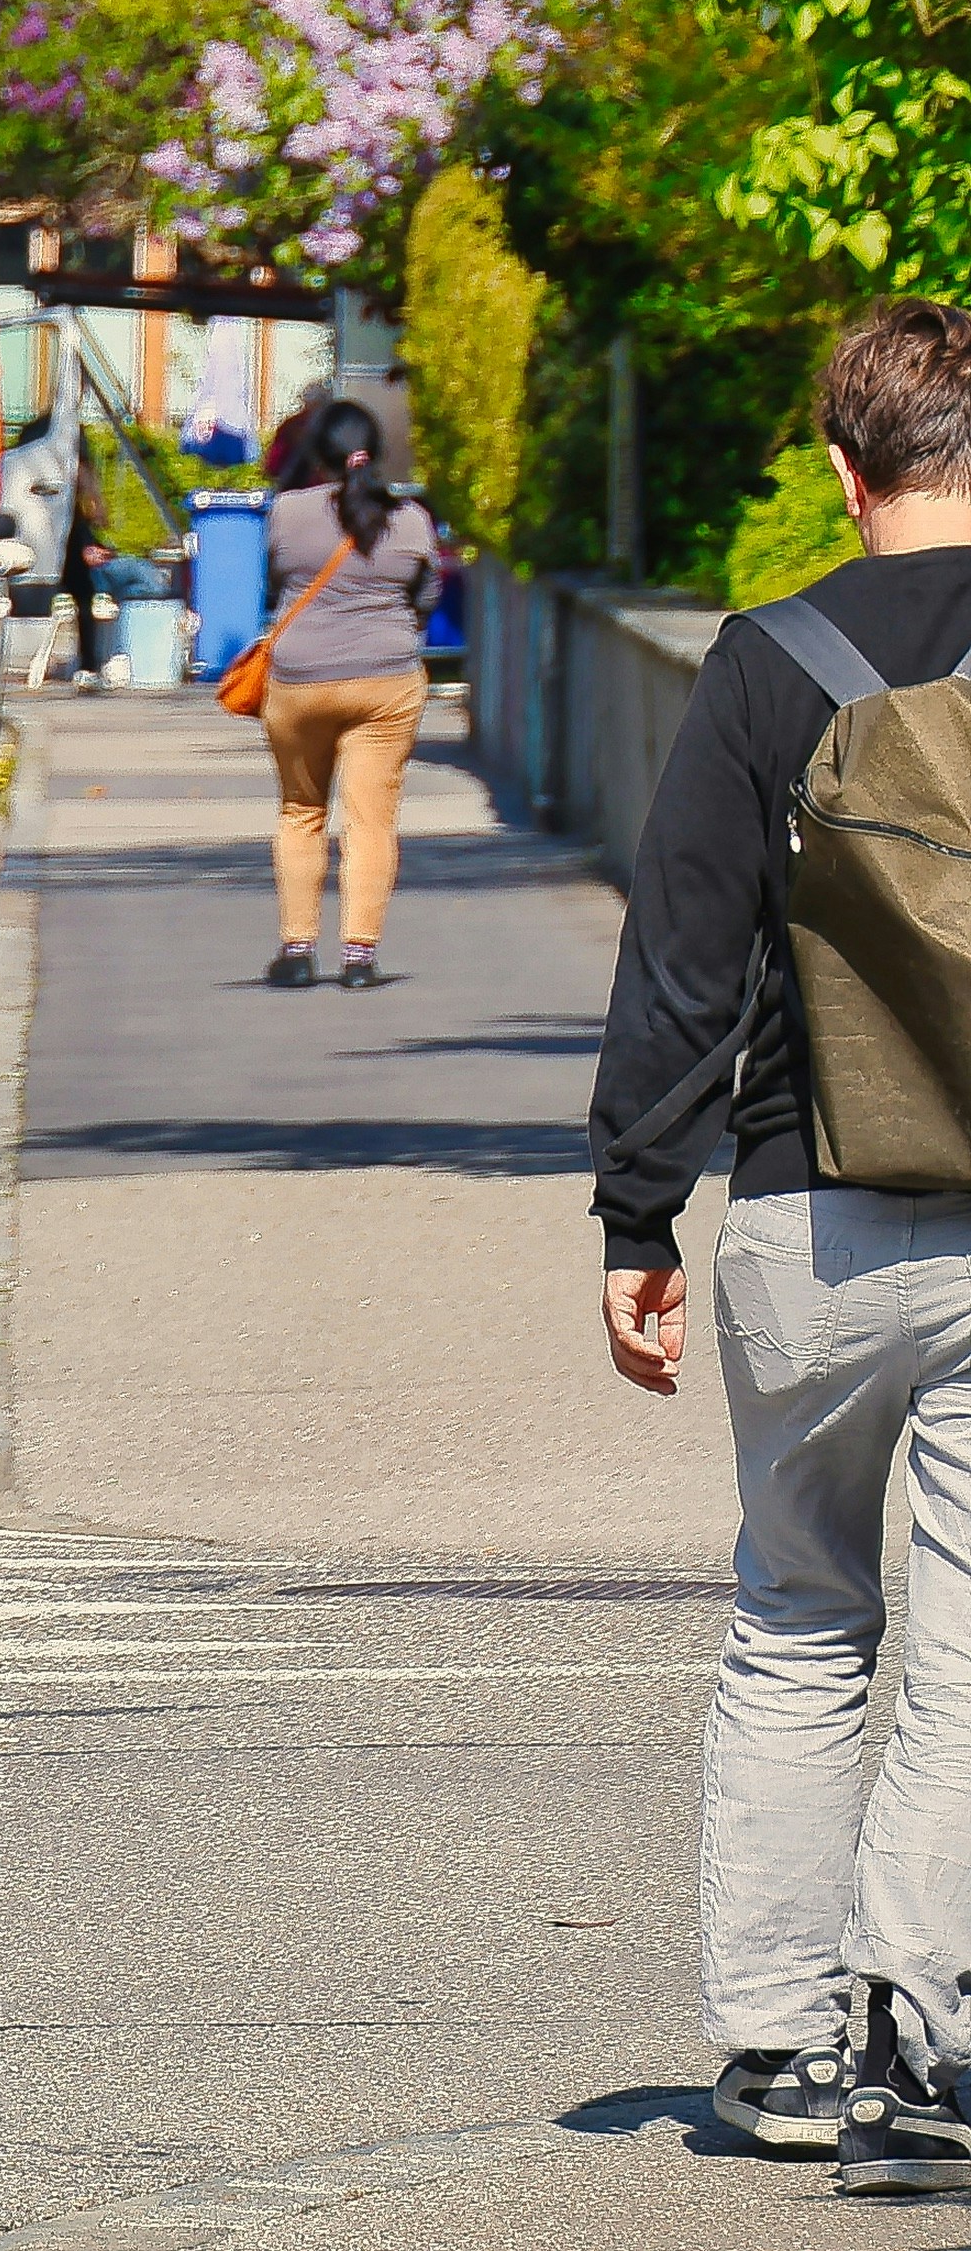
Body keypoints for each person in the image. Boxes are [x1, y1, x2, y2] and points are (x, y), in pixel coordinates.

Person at [589, 300, 971, 2185]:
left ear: (844, 465)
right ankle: (929, 2029)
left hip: (804, 1207)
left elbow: (678, 955)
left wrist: (634, 1207)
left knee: (800, 1607)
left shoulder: (765, 661)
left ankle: (779, 2044)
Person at [253, 400, 448, 988]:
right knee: (370, 821)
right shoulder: (411, 519)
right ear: (376, 454)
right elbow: (430, 595)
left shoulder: (286, 513)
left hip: (299, 684)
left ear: (317, 456)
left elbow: (271, 581)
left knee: (300, 812)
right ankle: (359, 959)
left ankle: (296, 950)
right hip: (386, 685)